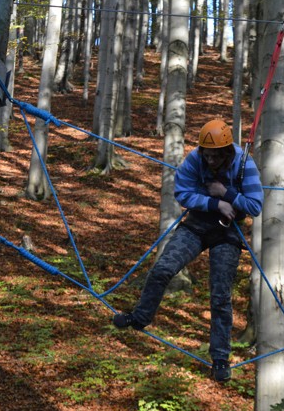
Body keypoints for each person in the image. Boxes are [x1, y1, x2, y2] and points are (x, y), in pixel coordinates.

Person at [112, 119, 264, 382]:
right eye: (208, 154)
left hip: (227, 233)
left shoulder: (243, 163)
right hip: (197, 224)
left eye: (216, 155)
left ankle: (220, 359)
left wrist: (227, 194)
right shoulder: (195, 159)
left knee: (220, 295)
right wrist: (214, 203)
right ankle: (140, 318)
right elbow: (182, 193)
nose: (211, 159)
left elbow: (255, 205)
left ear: (227, 151)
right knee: (163, 269)